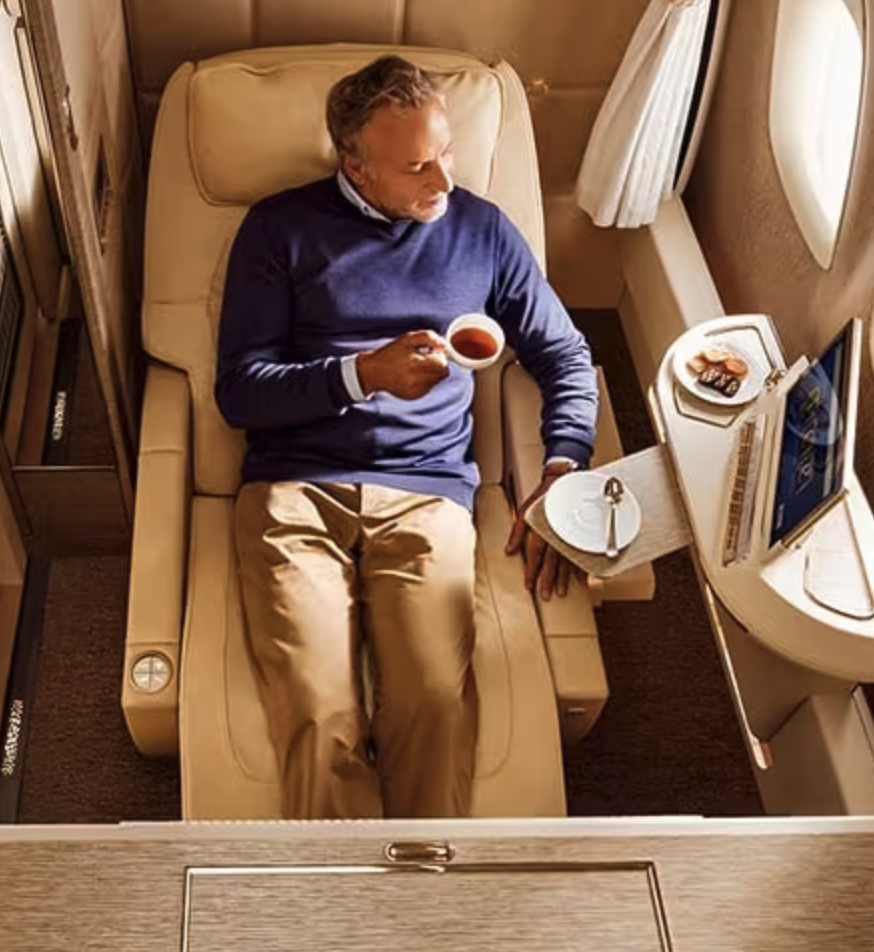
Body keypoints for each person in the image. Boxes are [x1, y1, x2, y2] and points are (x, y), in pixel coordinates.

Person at [215, 55, 598, 819]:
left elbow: (565, 356)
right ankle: (352, 916)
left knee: (431, 703)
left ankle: (425, 899)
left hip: (427, 496)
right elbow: (239, 392)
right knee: (321, 716)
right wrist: (364, 375)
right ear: (355, 165)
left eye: (447, 153)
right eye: (418, 167)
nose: (445, 183)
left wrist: (563, 468)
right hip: (296, 493)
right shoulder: (278, 229)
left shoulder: (481, 230)